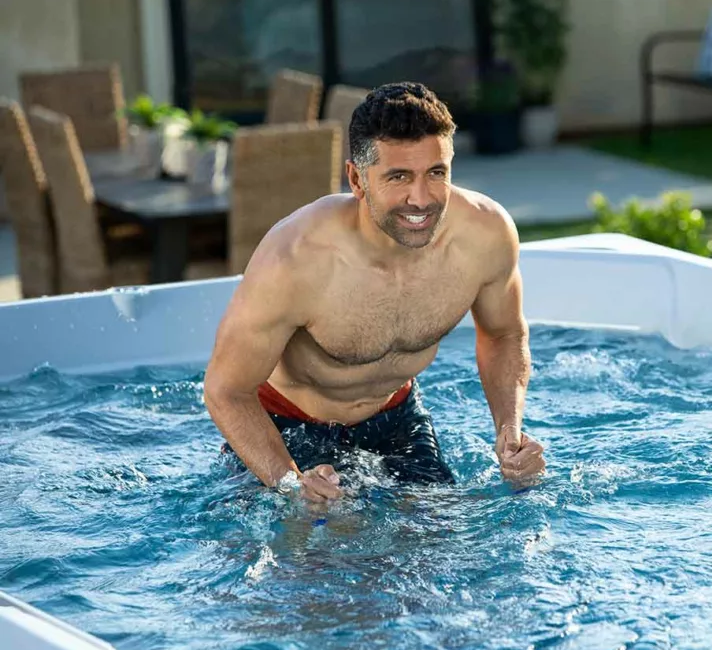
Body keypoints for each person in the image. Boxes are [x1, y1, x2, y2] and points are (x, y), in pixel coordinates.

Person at [203, 82, 546, 503]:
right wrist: (290, 483)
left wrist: (509, 432)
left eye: (436, 173)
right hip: (287, 424)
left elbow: (504, 334)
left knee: (443, 546)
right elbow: (226, 389)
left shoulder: (486, 235)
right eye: (399, 177)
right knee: (314, 551)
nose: (420, 199)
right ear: (357, 179)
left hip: (397, 416)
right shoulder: (297, 257)